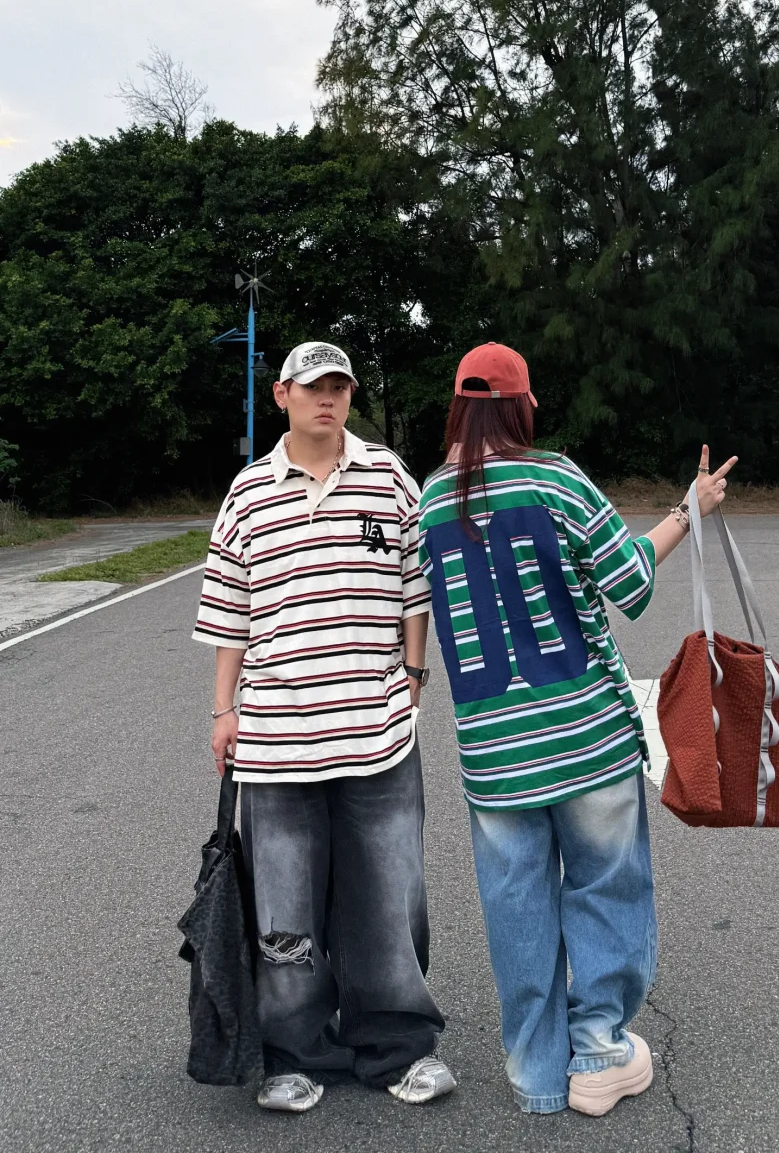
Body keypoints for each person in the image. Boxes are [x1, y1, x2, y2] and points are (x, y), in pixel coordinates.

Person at [418, 342, 736, 1117]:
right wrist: (687, 510)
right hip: (584, 734)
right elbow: (630, 580)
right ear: (521, 407)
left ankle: (535, 1070)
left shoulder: (428, 501)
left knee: (516, 907)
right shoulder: (554, 478)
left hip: (494, 753)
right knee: (604, 886)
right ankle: (598, 1052)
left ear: (458, 409)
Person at [193, 341, 456, 1114]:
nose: (327, 398)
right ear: (282, 395)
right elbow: (230, 612)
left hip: (377, 732)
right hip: (276, 738)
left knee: (389, 901)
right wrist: (224, 710)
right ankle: (294, 1052)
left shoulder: (389, 476)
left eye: (339, 385)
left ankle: (398, 1047)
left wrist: (413, 677)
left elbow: (415, 587)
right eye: (312, 387)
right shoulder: (248, 494)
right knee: (285, 913)